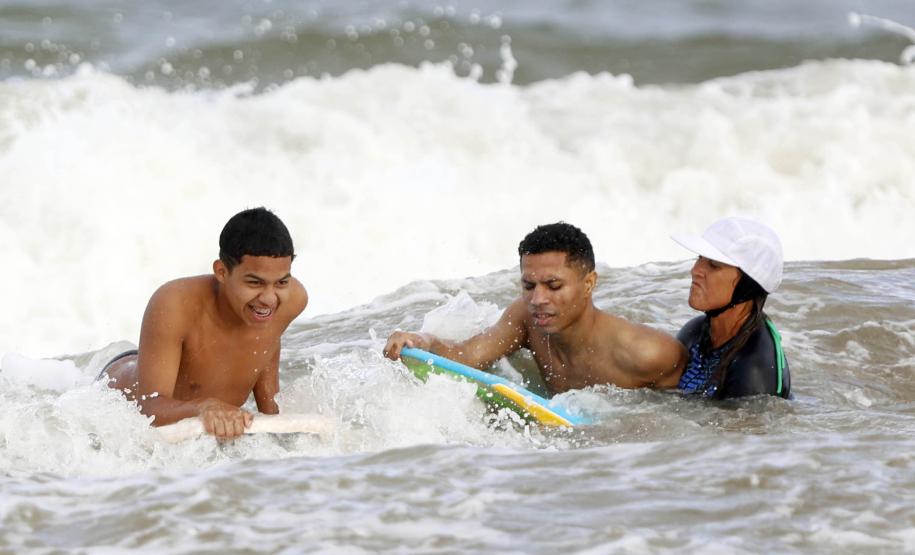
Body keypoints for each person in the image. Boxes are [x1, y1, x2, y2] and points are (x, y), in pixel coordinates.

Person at [383, 222, 687, 394]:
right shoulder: (525, 318)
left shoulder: (648, 354)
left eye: (553, 286)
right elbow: (467, 356)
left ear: (589, 283)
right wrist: (422, 341)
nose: (538, 299)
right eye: (529, 286)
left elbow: (688, 420)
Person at [101, 207, 308, 439]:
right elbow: (148, 409)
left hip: (193, 411)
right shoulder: (174, 303)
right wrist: (203, 407)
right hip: (117, 395)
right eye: (254, 283)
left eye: (281, 282)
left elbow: (264, 349)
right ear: (221, 272)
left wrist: (280, 431)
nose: (269, 298)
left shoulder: (292, 300)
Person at [672, 217, 790, 399]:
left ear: (747, 285)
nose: (695, 270)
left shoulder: (753, 370)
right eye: (700, 258)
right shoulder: (695, 332)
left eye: (713, 265)